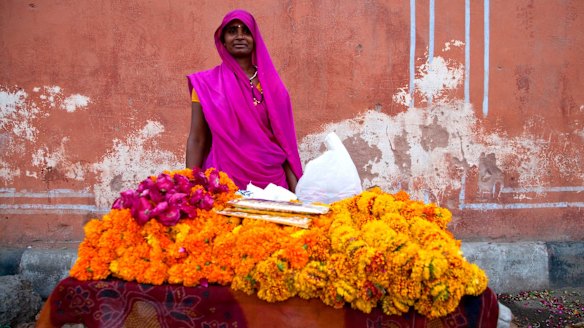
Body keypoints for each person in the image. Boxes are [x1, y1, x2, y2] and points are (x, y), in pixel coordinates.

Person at [186, 9, 302, 192]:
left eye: (246, 31)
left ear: (256, 39)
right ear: (222, 39)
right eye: (232, 31)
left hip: (271, 186)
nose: (240, 36)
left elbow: (285, 143)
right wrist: (189, 185)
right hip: (222, 183)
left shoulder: (274, 87)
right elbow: (197, 139)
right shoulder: (206, 84)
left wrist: (297, 192)